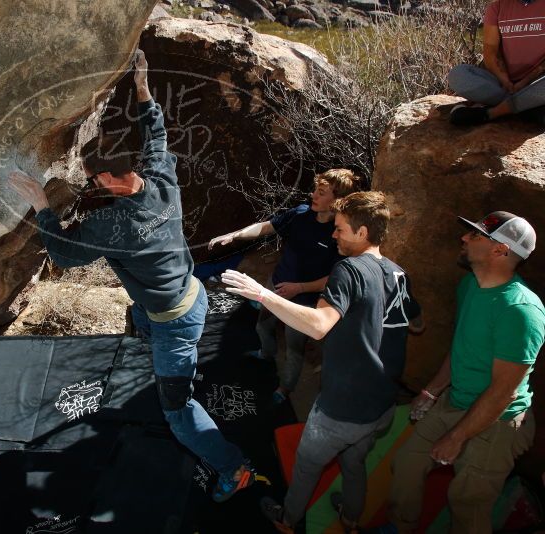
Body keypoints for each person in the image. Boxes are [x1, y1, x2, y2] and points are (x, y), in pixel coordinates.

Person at [7, 50, 253, 502]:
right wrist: (142, 82)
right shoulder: (160, 175)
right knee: (140, 311)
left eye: (95, 181)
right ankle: (153, 347)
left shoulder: (114, 225)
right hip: (189, 291)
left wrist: (41, 203)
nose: (93, 187)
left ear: (112, 179)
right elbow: (155, 131)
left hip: (175, 323)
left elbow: (63, 251)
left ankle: (234, 467)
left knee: (177, 412)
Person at [222, 191, 424, 533]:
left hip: (342, 407)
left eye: (341, 229)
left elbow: (317, 326)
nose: (334, 235)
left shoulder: (348, 270)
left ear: (362, 233)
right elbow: (416, 323)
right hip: (382, 404)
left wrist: (262, 294)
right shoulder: (397, 273)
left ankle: (287, 520)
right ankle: (351, 518)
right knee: (354, 462)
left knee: (306, 466)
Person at [386, 211, 544, 534]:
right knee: (406, 464)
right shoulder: (469, 286)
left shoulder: (520, 311)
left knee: (467, 504)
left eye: (476, 235)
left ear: (500, 250)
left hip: (498, 421)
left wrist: (456, 437)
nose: (464, 238)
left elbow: (503, 392)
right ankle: (400, 527)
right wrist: (431, 391)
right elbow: (462, 349)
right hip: (456, 401)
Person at [208, 169, 360, 405]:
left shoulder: (338, 235)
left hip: (304, 299)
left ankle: (285, 388)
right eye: (315, 190)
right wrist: (236, 234)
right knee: (263, 325)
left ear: (336, 200)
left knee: (294, 347)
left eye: (320, 193)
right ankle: (266, 354)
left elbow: (334, 277)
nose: (313, 195)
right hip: (276, 284)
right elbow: (268, 226)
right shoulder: (300, 214)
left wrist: (299, 288)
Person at [448, 0, 545, 126]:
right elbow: (491, 50)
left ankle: (493, 112)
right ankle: (527, 107)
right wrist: (505, 80)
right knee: (458, 75)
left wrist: (525, 82)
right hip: (502, 84)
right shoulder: (497, 7)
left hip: (537, 80)